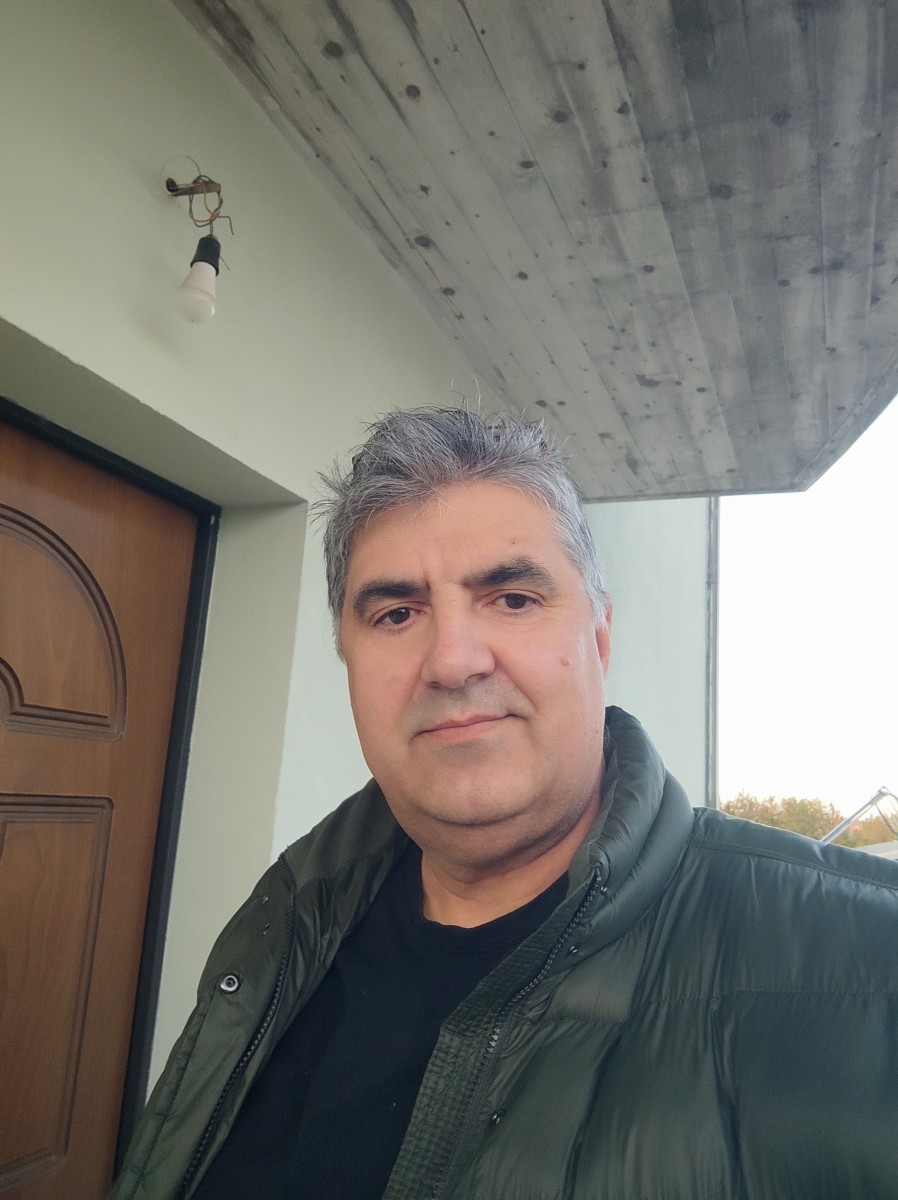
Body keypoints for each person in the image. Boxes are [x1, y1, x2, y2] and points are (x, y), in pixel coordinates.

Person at [111, 407, 898, 1200]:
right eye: (396, 614)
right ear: (347, 657)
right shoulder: (283, 927)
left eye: (513, 598)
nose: (452, 661)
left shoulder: (869, 961)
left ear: (599, 637)